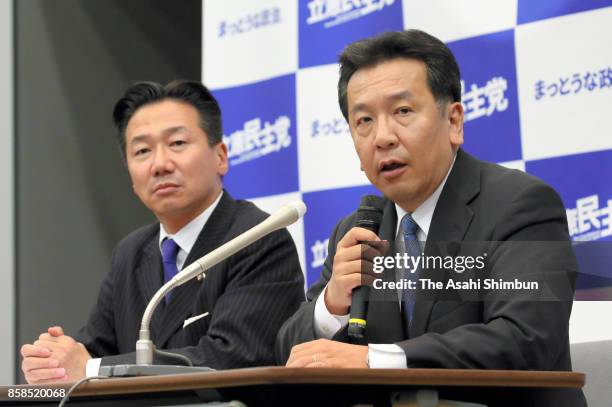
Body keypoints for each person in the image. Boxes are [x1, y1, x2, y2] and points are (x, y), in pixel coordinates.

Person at [276, 30, 585, 406]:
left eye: (403, 112)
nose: (382, 137)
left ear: (454, 121)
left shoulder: (522, 204)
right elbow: (292, 357)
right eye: (364, 121)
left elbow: (524, 339)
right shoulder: (359, 228)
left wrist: (376, 359)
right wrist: (331, 304)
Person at [21, 80, 305, 383]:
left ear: (221, 156)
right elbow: (92, 350)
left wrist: (91, 369)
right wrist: (56, 364)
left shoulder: (257, 237)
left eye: (177, 144)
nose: (160, 164)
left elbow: (232, 358)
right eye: (142, 151)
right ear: (130, 173)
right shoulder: (131, 252)